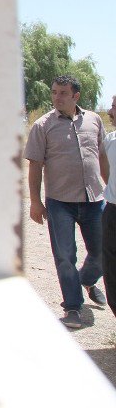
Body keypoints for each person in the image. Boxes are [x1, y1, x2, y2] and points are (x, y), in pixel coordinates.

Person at [25, 75, 109, 329]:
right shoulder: (42, 126)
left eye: (62, 93)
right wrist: (35, 202)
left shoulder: (94, 120)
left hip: (95, 199)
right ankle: (73, 307)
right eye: (54, 92)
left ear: (76, 96)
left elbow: (102, 157)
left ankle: (87, 279)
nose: (56, 97)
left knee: (103, 251)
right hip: (60, 202)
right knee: (64, 255)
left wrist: (112, 189)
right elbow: (35, 166)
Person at [103, 95, 116, 318]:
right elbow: (105, 173)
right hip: (112, 211)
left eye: (114, 106)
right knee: (111, 270)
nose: (110, 111)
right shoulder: (110, 139)